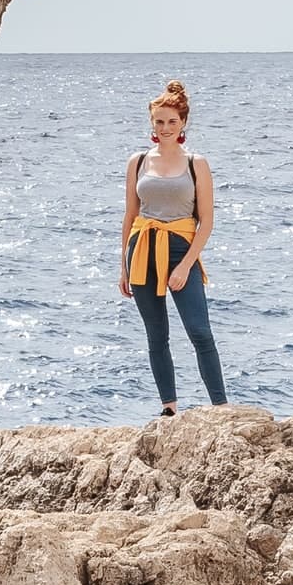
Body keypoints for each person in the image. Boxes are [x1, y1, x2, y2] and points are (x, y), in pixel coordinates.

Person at [120, 76, 228, 416]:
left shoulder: (197, 164)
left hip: (181, 249)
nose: (165, 128)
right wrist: (122, 267)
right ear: (152, 123)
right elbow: (130, 215)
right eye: (159, 121)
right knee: (157, 335)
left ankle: (221, 407)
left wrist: (184, 267)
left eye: (172, 121)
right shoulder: (138, 161)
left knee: (200, 331)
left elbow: (206, 222)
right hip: (141, 249)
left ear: (183, 123)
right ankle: (168, 408)